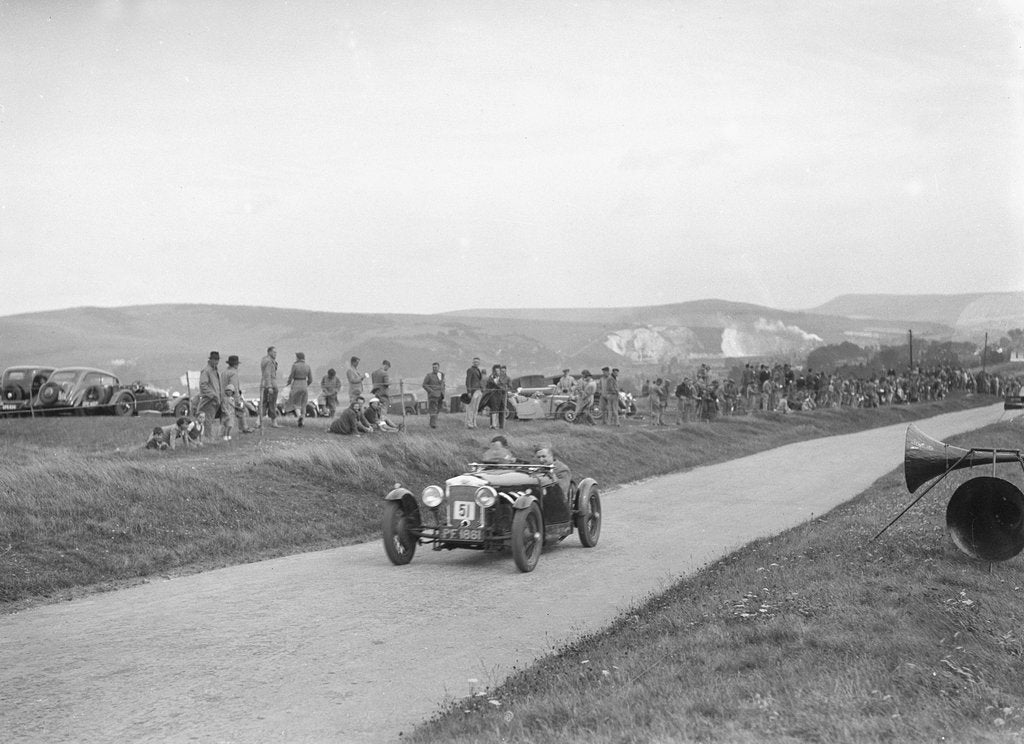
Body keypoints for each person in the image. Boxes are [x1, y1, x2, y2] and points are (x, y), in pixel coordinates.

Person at [535, 444, 573, 522]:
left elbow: (562, 490)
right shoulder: (537, 469)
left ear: (551, 456)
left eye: (543, 456)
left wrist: (552, 476)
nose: (541, 460)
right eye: (539, 457)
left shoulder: (562, 469)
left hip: (557, 504)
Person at [223, 355, 255, 433]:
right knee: (241, 410)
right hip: (232, 396)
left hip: (224, 396)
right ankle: (244, 427)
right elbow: (234, 387)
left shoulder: (224, 372)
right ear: (235, 364)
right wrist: (238, 399)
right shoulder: (233, 373)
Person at [286, 352, 313, 427]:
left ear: (297, 358)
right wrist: (306, 385)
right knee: (303, 404)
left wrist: (288, 383)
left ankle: (299, 417)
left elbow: (291, 376)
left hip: (296, 384)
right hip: (304, 384)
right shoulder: (308, 366)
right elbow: (311, 379)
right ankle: (303, 421)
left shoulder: (295, 365)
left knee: (295, 402)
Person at [197, 351, 222, 422]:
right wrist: (213, 395)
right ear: (210, 360)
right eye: (215, 359)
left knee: (210, 421)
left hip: (214, 401)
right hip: (208, 401)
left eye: (217, 359)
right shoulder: (206, 371)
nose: (216, 361)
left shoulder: (215, 371)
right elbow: (203, 385)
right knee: (207, 421)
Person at [260, 346, 280, 428]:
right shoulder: (269, 362)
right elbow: (268, 374)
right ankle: (274, 422)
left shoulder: (264, 360)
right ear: (269, 352)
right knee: (272, 404)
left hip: (264, 384)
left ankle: (259, 421)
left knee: (264, 403)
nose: (275, 354)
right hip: (271, 384)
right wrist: (269, 386)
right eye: (274, 352)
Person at [423, 361, 446, 429]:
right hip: (433, 396)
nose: (434, 368)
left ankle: (433, 423)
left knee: (438, 410)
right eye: (433, 367)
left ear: (439, 367)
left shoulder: (442, 374)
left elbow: (443, 384)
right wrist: (431, 391)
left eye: (436, 367)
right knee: (433, 409)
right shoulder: (429, 375)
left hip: (440, 395)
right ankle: (433, 425)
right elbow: (424, 385)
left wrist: (443, 391)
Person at [485, 363, 506, 430]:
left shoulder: (500, 378)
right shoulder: (491, 377)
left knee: (501, 410)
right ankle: (493, 425)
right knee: (494, 409)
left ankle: (500, 425)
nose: (498, 372)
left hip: (500, 396)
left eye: (498, 371)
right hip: (493, 395)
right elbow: (496, 385)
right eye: (496, 371)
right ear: (493, 371)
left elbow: (503, 386)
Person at [464, 357, 484, 429]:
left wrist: (481, 389)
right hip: (473, 391)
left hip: (478, 390)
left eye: (477, 362)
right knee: (471, 408)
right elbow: (468, 381)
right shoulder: (470, 370)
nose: (476, 363)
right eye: (475, 362)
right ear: (472, 362)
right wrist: (469, 391)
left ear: (479, 363)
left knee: (476, 408)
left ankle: (474, 423)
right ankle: (469, 424)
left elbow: (480, 380)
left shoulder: (478, 370)